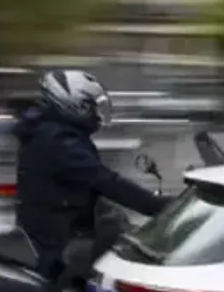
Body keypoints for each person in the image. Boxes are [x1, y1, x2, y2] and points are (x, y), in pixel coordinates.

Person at [14, 70, 168, 279]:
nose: (96, 114)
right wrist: (157, 206)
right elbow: (103, 180)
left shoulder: (51, 131)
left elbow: (85, 186)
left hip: (57, 230)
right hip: (57, 243)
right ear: (74, 105)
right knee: (120, 265)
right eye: (91, 107)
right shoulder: (57, 140)